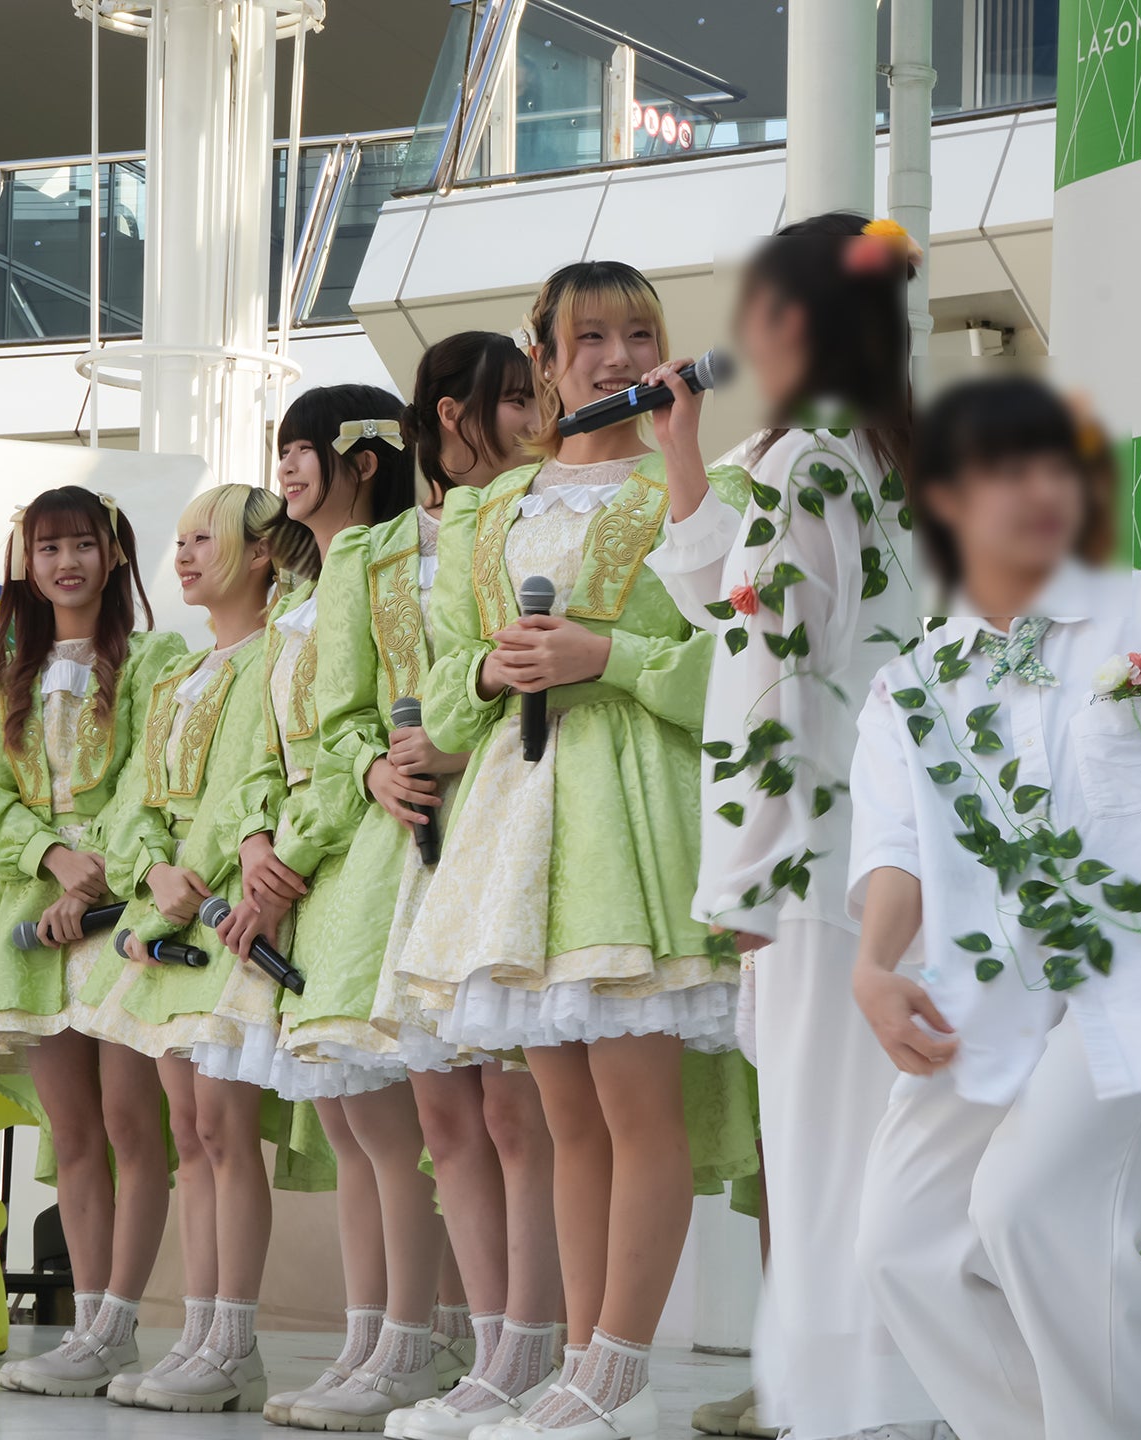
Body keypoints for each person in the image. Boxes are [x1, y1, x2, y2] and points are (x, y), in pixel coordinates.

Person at [394, 260, 758, 1440]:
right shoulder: (490, 508)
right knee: (566, 1117)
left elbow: (741, 663)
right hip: (518, 813)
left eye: (638, 334)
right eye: (588, 337)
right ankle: (574, 1365)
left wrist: (609, 658)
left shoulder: (697, 486)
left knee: (637, 1104)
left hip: (634, 809)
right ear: (543, 359)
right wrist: (490, 673)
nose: (617, 357)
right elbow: (445, 679)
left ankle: (618, 1367)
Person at [848, 377, 1141, 1440]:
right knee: (898, 1243)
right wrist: (874, 966)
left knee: (1032, 1207)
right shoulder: (907, 688)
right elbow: (895, 851)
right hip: (990, 993)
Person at [647, 216, 941, 1440]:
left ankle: (843, 1406)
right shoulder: (875, 452)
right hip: (880, 845)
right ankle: (893, 1394)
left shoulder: (808, 459)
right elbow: (740, 604)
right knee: (869, 1141)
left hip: (815, 853)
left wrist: (752, 878)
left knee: (819, 1150)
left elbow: (774, 678)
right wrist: (684, 454)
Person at [205, 384, 456, 1430]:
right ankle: (368, 1337)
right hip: (310, 864)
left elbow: (376, 728)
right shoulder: (299, 599)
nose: (287, 467)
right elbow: (270, 752)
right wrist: (253, 844)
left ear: (366, 457)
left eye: (305, 447)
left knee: (394, 1123)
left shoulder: (404, 564)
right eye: (282, 448)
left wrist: (291, 853)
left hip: (369, 851)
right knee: (352, 1123)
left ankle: (416, 1337)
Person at [0, 486, 186, 1396]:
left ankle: (119, 1322)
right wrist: (50, 855)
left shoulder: (156, 658)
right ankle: (90, 1328)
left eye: (83, 544)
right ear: (27, 562)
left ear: (114, 554)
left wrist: (101, 870)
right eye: (48, 548)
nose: (66, 562)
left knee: (132, 1121)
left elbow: (157, 778)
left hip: (125, 903)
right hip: (35, 910)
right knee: (75, 1130)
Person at [79, 483, 322, 1413]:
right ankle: (198, 1335)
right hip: (177, 916)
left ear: (262, 554)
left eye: (203, 539)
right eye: (178, 541)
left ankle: (232, 1341)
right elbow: (138, 800)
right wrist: (151, 872)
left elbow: (251, 787)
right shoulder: (178, 674)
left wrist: (194, 877)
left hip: (231, 917)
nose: (182, 555)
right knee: (189, 1134)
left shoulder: (279, 651)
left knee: (223, 1130)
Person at [371, 334, 573, 1440]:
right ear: (453, 416)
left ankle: (536, 1344)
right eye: (513, 402)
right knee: (448, 1107)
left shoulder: (556, 507)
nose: (535, 417)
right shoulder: (374, 554)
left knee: (521, 1102)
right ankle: (491, 1346)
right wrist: (375, 767)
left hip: (518, 810)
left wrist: (457, 734)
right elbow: (348, 704)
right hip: (414, 837)